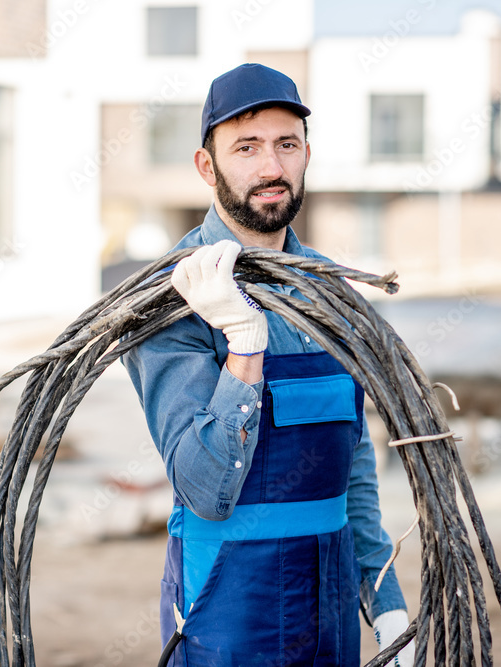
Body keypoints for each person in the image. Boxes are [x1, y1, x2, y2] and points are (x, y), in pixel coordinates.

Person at [122, 63, 414, 666]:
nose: (271, 168)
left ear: (307, 153)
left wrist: (382, 600)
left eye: (286, 145)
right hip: (229, 604)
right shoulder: (168, 300)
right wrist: (244, 345)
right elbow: (204, 487)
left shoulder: (331, 295)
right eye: (246, 147)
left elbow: (351, 463)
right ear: (207, 166)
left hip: (330, 599)